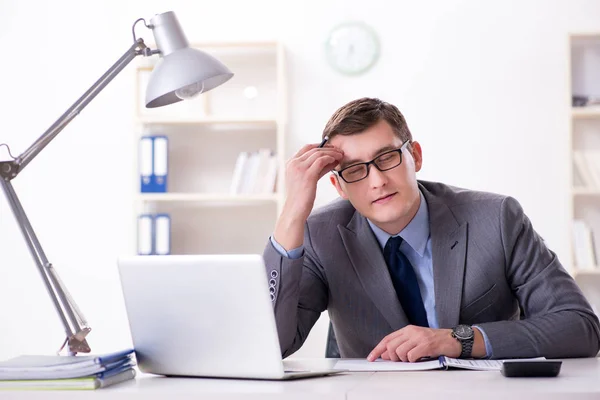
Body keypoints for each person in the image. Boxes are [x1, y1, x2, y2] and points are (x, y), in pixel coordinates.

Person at [263, 97, 600, 362]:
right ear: (338, 186)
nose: (377, 181)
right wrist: (292, 214)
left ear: (416, 156)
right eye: (355, 170)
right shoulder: (321, 234)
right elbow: (270, 345)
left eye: (387, 158)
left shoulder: (496, 218)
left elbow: (579, 327)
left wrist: (460, 339)